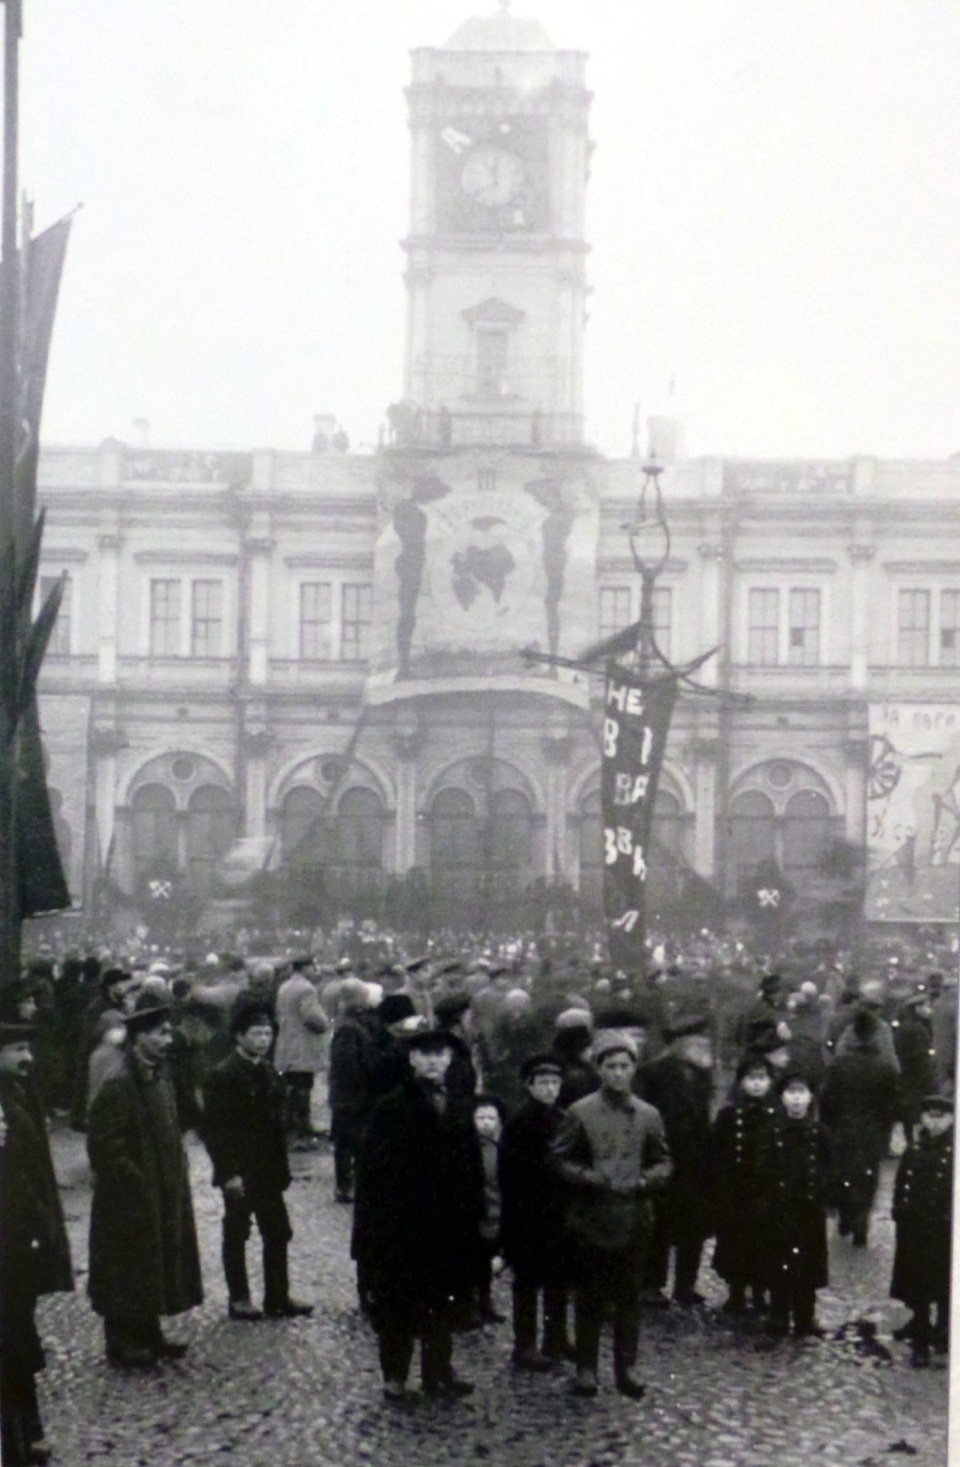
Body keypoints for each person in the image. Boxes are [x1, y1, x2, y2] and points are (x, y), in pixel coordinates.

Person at [355, 1026, 483, 1403]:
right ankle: (395, 1374)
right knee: (399, 1300)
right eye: (424, 1054)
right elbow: (374, 1172)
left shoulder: (460, 1105)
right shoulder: (392, 1106)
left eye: (439, 1054)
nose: (432, 1061)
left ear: (448, 1060)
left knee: (444, 1297)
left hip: (449, 1222)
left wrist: (473, 1212)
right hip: (404, 1222)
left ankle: (438, 1370)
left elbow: (472, 1165)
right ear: (412, 1059)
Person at [551, 1030, 672, 1399]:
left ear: (634, 1069)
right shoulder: (580, 1112)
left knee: (629, 1299)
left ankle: (627, 1366)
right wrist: (589, 1178)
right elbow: (559, 1157)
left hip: (634, 1217)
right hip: (591, 1218)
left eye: (625, 1066)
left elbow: (664, 1160)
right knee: (590, 1296)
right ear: (599, 1069)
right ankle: (586, 1368)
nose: (618, 1073)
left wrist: (645, 1180)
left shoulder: (648, 1115)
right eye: (611, 1066)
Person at [87, 990, 203, 1367]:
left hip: (161, 1189)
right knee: (126, 1263)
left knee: (152, 1260)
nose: (168, 1040)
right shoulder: (120, 1082)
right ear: (138, 1039)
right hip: (129, 1195)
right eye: (160, 1034)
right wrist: (133, 1180)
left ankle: (149, 1332)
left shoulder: (160, 1077)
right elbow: (104, 1144)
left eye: (169, 1033)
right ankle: (122, 1340)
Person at [202, 994, 313, 1322]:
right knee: (237, 1232)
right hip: (240, 1170)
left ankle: (278, 1296)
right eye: (256, 1034)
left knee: (277, 1231)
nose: (263, 1040)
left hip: (268, 1170)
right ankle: (239, 1298)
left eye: (267, 1034)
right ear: (239, 1036)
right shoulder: (223, 1075)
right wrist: (228, 1173)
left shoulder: (267, 1071)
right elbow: (216, 1131)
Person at [0, 1001, 73, 1465]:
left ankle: (28, 1430)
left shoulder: (18, 1093)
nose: (29, 1057)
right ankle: (15, 1441)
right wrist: (26, 1231)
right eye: (19, 1048)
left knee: (19, 1334)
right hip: (8, 1242)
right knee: (9, 1338)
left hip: (21, 1240)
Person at [499, 1053, 572, 1370]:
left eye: (555, 1083)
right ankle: (525, 1344)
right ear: (529, 1086)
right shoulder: (519, 1123)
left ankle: (555, 1338)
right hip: (528, 1212)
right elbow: (510, 1172)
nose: (550, 1089)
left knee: (558, 1279)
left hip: (559, 1212)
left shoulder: (565, 1119)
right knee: (527, 1281)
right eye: (543, 1083)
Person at [637, 1014, 714, 1306]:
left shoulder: (702, 1074)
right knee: (660, 1225)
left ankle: (685, 1286)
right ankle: (652, 1285)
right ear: (682, 1043)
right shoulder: (651, 1073)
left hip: (695, 1163)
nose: (705, 1046)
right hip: (665, 1159)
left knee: (693, 1227)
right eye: (699, 1040)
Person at [819, 1006, 898, 1247]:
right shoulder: (885, 1068)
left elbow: (826, 1099)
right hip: (871, 1132)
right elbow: (890, 1106)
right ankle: (861, 1222)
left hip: (842, 1130)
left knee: (843, 1173)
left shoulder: (839, 1064)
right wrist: (885, 1134)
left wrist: (828, 1127)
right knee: (867, 1177)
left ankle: (844, 1216)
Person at [708, 1052, 780, 1315]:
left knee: (764, 1243)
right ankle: (736, 1292)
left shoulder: (777, 1113)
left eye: (762, 1078)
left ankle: (761, 1292)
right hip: (736, 1191)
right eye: (751, 1078)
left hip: (766, 1191)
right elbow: (716, 1152)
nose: (757, 1084)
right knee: (735, 1242)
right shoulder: (729, 1114)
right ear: (741, 1082)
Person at [764, 1068, 831, 1338]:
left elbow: (830, 1167)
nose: (795, 1099)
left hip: (809, 1211)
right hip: (780, 1211)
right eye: (790, 1092)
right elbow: (763, 1168)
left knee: (807, 1266)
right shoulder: (773, 1132)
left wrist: (823, 1193)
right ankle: (778, 1314)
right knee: (779, 1263)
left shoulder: (820, 1132)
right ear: (782, 1097)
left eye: (801, 1092)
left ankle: (805, 1316)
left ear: (810, 1097)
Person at [889, 1093, 954, 1365]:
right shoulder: (915, 1150)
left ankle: (943, 1331)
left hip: (943, 1229)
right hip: (915, 1228)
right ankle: (920, 1336)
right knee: (918, 1286)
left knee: (943, 1285)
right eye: (929, 1116)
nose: (935, 1123)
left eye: (941, 1117)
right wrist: (899, 1212)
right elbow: (902, 1182)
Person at [328, 977, 375, 1203]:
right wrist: (364, 1083)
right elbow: (347, 1065)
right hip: (349, 1096)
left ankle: (349, 1185)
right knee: (347, 1142)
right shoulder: (348, 1028)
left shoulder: (353, 1022)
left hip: (350, 1095)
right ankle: (344, 1187)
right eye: (364, 995)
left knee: (352, 1142)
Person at [274, 956, 329, 1147]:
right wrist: (325, 1024)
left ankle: (293, 1128)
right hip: (303, 1044)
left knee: (293, 1086)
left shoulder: (285, 986)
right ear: (304, 968)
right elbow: (312, 1016)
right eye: (313, 966)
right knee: (303, 1086)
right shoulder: (306, 988)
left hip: (287, 1042)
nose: (315, 970)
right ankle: (301, 1130)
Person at [472, 1096, 506, 1324]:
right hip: (477, 1212)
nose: (486, 1123)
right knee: (475, 1260)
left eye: (491, 1118)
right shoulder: (469, 1148)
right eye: (481, 1118)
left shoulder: (501, 1148)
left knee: (488, 1260)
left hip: (496, 1211)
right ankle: (471, 1305)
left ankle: (485, 1302)